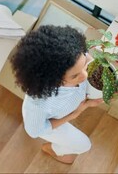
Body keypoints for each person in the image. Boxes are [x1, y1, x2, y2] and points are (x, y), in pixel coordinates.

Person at [10, 25, 103, 164]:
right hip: (52, 121)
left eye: (83, 65)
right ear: (53, 81)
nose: (85, 75)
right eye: (75, 76)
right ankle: (53, 149)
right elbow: (35, 131)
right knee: (84, 145)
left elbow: (86, 57)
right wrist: (77, 112)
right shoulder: (38, 105)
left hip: (70, 106)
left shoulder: (73, 59)